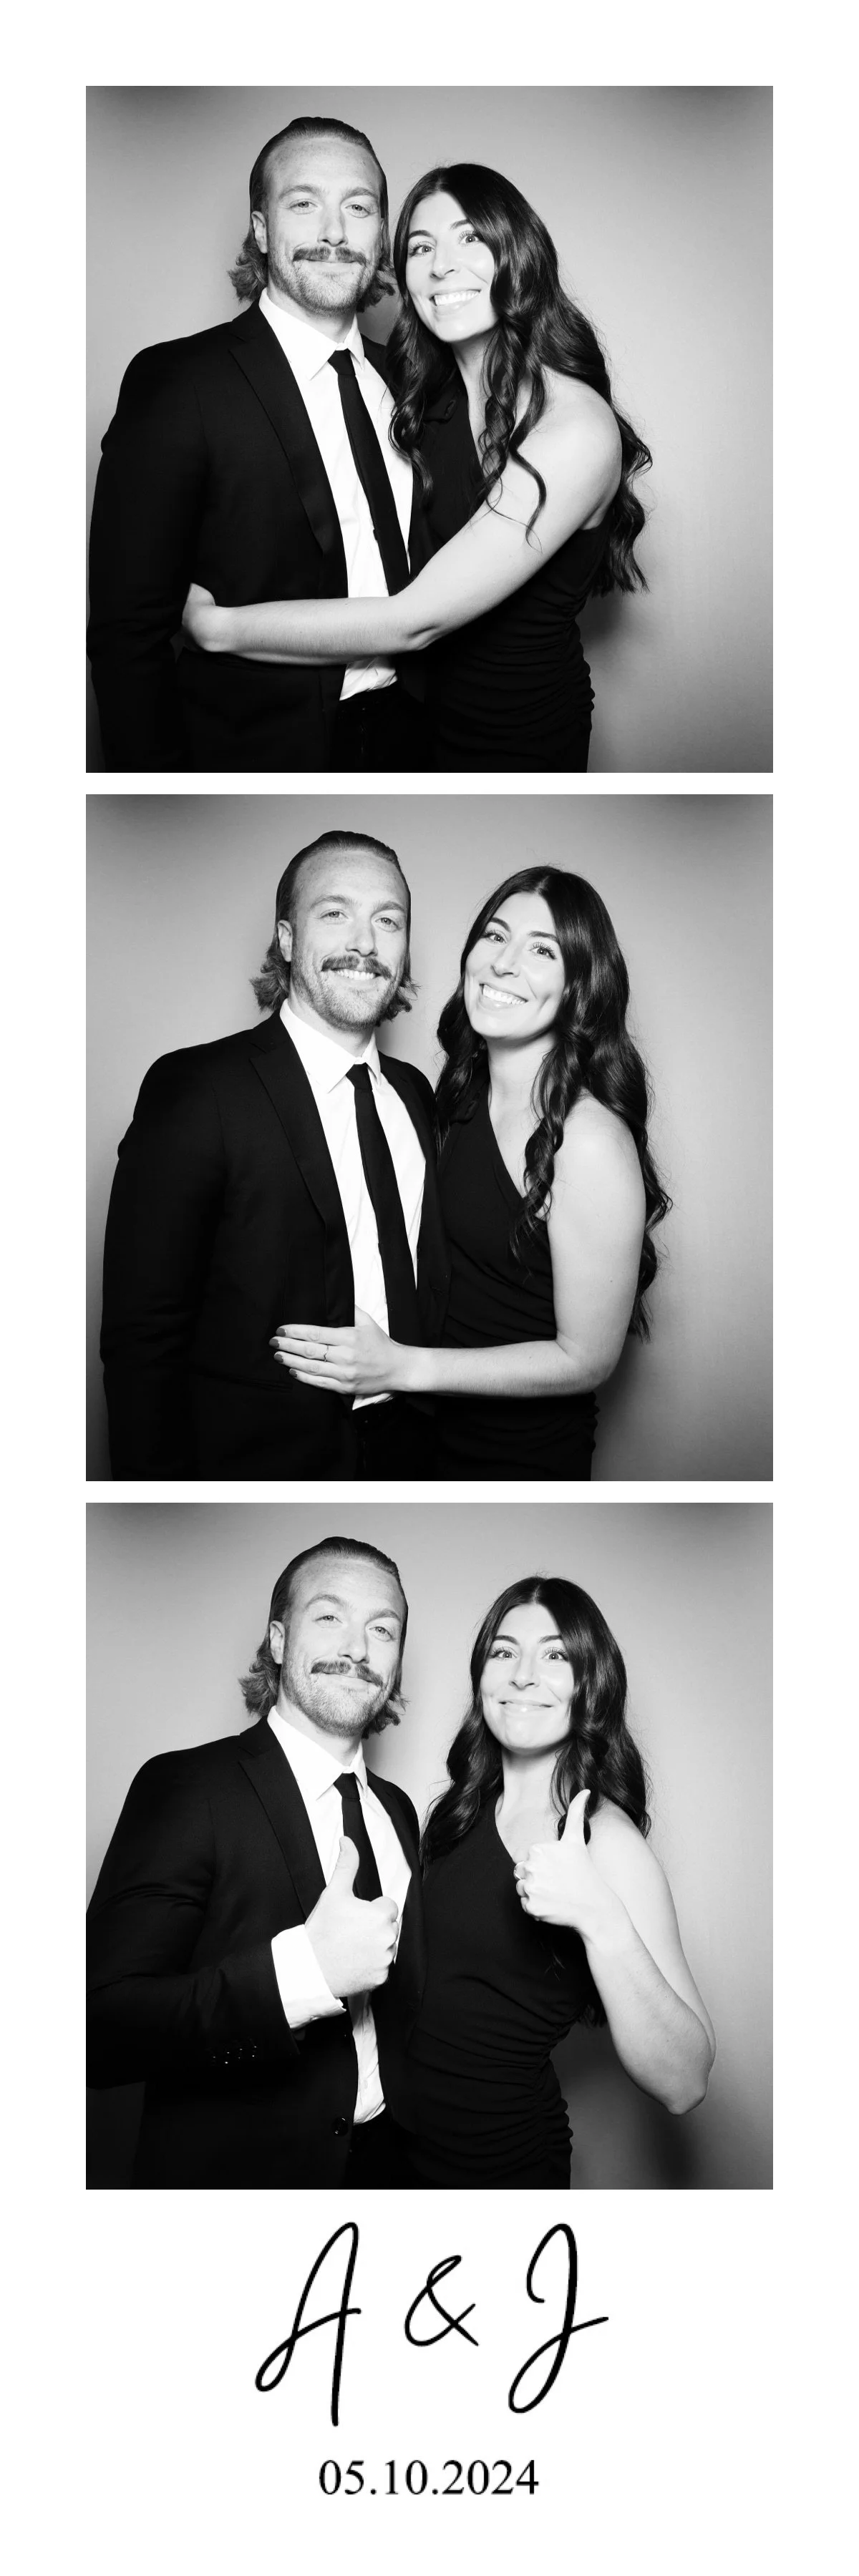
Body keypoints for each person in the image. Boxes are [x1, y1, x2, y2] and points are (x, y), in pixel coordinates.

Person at [183, 162, 651, 769]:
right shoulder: (422, 401)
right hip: (410, 724)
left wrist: (216, 628)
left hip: (517, 736)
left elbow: (415, 619)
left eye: (470, 238)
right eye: (420, 247)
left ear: (520, 252)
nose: (441, 265)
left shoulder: (576, 430)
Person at [273, 866, 669, 1480]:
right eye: (495, 936)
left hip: (519, 1459)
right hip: (421, 1441)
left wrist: (402, 1367)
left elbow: (587, 1359)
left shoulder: (588, 1140)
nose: (504, 963)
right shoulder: (452, 1096)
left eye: (543, 950)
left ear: (578, 987)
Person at [100, 831, 448, 1478]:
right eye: (335, 913)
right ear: (288, 940)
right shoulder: (199, 1088)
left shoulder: (417, 1095)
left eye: (388, 921)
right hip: (258, 1466)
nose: (366, 943)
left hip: (419, 1457)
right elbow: (142, 1339)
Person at [87, 116, 428, 772]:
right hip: (254, 754)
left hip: (418, 740)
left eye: (358, 208)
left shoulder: (417, 381)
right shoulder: (179, 381)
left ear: (382, 234)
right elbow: (129, 635)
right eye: (304, 204)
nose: (334, 231)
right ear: (263, 229)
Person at [87, 1538, 425, 2188]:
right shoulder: (187, 1786)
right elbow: (100, 2030)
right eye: (329, 1617)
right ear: (277, 1639)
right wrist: (305, 1975)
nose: (357, 1648)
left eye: (382, 1630)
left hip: (387, 2179)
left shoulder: (399, 1811)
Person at [399, 1575, 715, 2189]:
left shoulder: (607, 1842)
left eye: (555, 1655)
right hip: (398, 2152)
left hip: (498, 2168)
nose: (522, 1674)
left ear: (589, 1684)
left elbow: (686, 2082)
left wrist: (600, 1916)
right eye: (503, 1651)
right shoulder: (459, 1811)